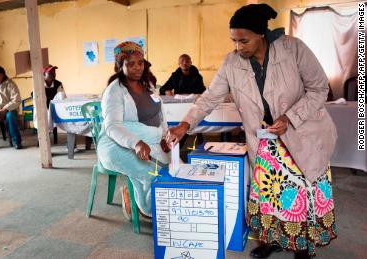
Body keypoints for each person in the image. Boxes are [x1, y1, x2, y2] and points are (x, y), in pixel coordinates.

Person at [166, 4, 337, 259]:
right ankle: (272, 240)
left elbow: (319, 88)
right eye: (234, 41)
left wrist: (290, 117)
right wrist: (185, 124)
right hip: (266, 141)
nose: (238, 47)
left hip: (302, 133)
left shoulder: (293, 49)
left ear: (261, 35)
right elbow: (210, 97)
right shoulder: (232, 62)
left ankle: (302, 247)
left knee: (300, 193)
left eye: (243, 40)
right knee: (269, 193)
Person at [97, 41, 171, 219]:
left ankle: (134, 195)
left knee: (173, 172)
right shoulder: (114, 92)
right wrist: (136, 143)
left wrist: (165, 136)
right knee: (158, 175)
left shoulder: (148, 86)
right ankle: (147, 208)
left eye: (140, 62)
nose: (138, 68)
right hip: (117, 144)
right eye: (130, 64)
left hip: (151, 141)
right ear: (119, 66)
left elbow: (161, 115)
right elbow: (113, 126)